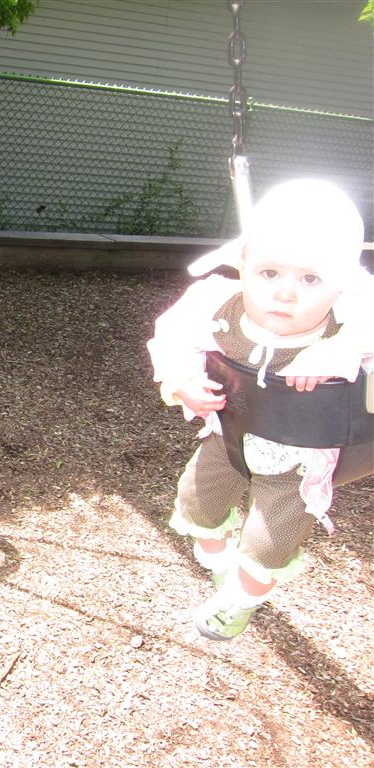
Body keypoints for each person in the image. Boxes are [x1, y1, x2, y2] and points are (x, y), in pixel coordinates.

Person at [147, 178, 374, 641]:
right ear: (243, 266)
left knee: (269, 543)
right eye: (269, 273)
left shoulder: (352, 321)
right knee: (197, 503)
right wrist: (182, 380)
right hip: (230, 434)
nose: (285, 294)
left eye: (310, 279)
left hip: (300, 461)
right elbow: (172, 334)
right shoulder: (217, 304)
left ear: (342, 287)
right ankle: (219, 566)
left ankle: (240, 599)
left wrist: (343, 349)